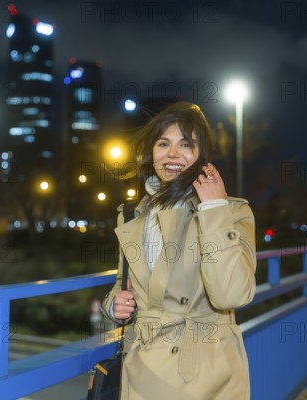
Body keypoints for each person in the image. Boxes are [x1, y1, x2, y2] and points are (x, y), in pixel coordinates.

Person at [102, 101, 257, 399]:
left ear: (202, 156)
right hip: (142, 369)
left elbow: (233, 294)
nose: (173, 154)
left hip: (205, 373)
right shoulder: (132, 214)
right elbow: (124, 284)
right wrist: (114, 305)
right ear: (151, 153)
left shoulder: (232, 212)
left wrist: (213, 208)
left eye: (186, 144)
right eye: (163, 143)